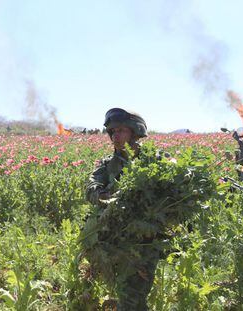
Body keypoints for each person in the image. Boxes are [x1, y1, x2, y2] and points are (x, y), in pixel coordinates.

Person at [86, 108, 157, 310]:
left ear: (135, 132)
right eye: (113, 131)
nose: (116, 136)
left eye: (121, 130)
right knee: (126, 293)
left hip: (144, 243)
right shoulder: (108, 165)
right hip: (115, 240)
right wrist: (103, 196)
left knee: (132, 296)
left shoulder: (154, 161)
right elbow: (91, 187)